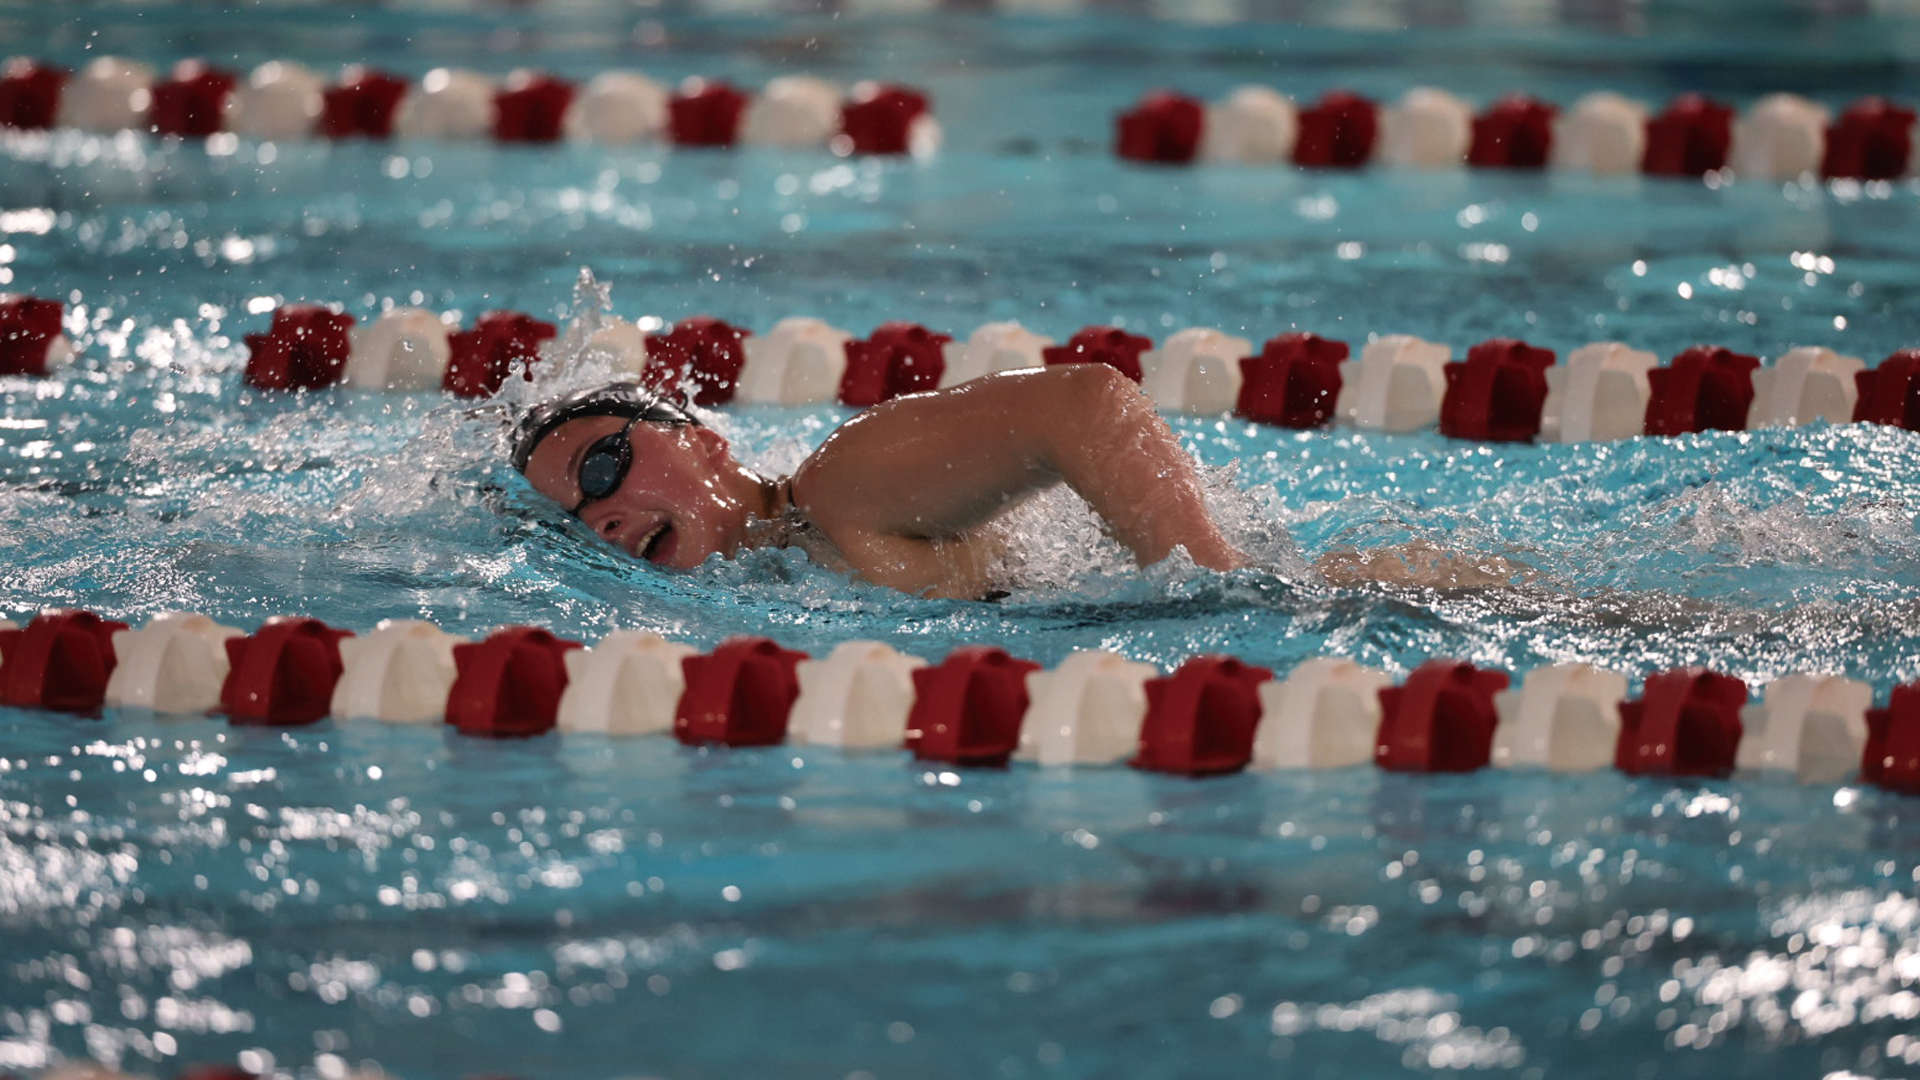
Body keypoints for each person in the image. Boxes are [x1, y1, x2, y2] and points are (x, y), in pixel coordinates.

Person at [511, 364, 1522, 598]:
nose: (603, 515)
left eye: (607, 463)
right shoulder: (792, 559)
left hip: (1355, 602)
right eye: (576, 516)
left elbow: (1081, 401)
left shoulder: (838, 491)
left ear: (710, 443)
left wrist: (1216, 587)